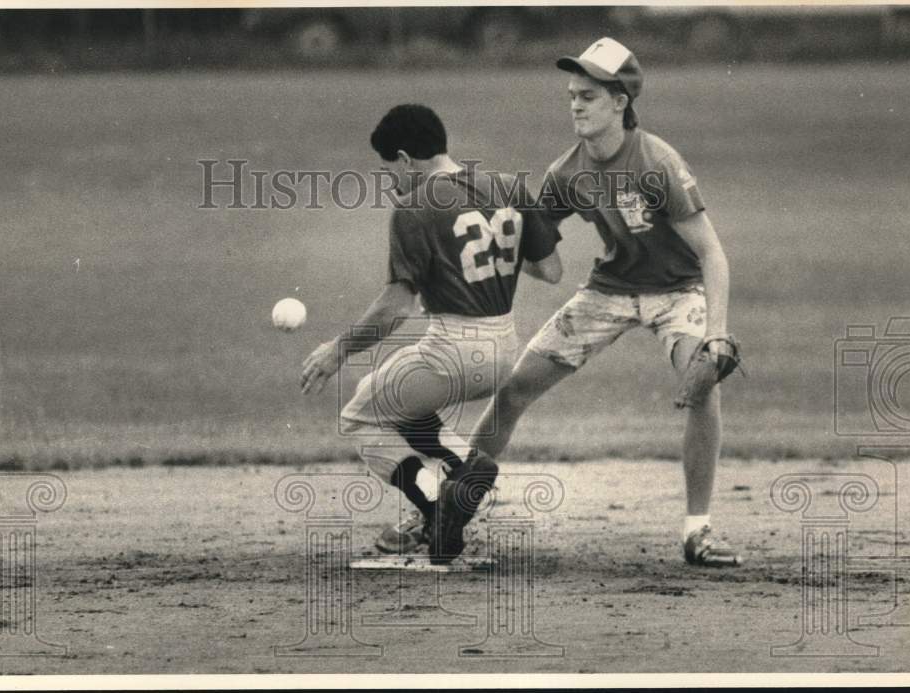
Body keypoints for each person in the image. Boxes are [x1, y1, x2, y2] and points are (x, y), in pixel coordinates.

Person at [469, 38, 743, 567]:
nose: (575, 104)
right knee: (514, 389)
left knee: (702, 381)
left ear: (620, 102)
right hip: (609, 291)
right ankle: (451, 506)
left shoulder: (656, 163)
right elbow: (541, 260)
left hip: (677, 292)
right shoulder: (567, 172)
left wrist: (717, 331)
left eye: (588, 95)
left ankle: (698, 529)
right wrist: (507, 232)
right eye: (572, 94)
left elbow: (712, 253)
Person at [300, 104, 562, 563]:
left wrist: (337, 350)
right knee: (398, 402)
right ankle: (463, 470)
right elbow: (550, 269)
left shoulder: (414, 207)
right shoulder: (508, 186)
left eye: (390, 171)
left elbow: (395, 308)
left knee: (360, 417)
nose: (392, 182)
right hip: (503, 349)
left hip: (452, 350)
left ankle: (439, 501)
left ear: (405, 159)